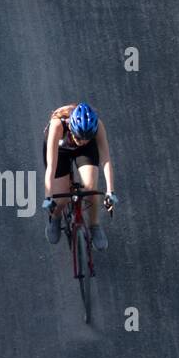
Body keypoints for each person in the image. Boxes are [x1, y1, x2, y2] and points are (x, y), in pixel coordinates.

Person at [41, 102, 117, 249]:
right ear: (71, 127)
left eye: (86, 138)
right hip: (60, 149)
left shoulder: (97, 127)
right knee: (61, 198)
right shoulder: (58, 125)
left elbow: (106, 160)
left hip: (85, 152)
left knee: (90, 189)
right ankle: (55, 218)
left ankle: (94, 225)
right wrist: (49, 197)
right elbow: (51, 167)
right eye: (79, 138)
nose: (81, 142)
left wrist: (110, 192)